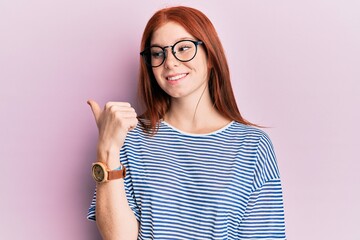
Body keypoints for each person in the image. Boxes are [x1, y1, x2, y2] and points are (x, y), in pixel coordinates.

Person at [87, 6, 286, 240]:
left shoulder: (252, 146)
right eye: (158, 53)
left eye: (183, 48)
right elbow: (119, 238)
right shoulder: (132, 138)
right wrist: (107, 149)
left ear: (210, 55)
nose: (170, 62)